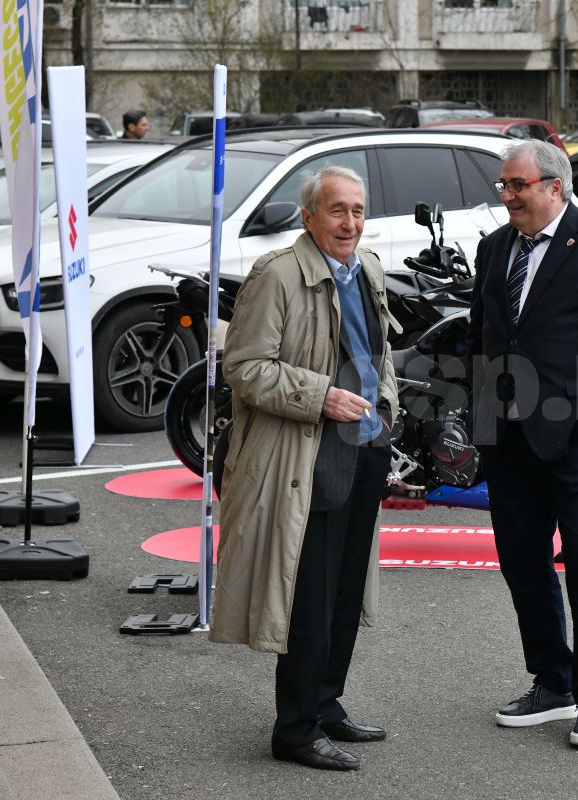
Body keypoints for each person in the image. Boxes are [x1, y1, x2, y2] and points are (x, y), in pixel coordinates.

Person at [208, 166, 400, 772]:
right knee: (309, 598)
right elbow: (243, 366)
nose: (350, 222)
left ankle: (326, 704)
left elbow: (380, 352)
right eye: (338, 210)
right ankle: (294, 729)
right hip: (306, 456)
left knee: (345, 591)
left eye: (358, 211)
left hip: (364, 448)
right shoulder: (277, 274)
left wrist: (385, 409)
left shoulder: (366, 265)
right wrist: (319, 395)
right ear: (309, 215)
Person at [466, 140, 578, 749]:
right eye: (504, 186)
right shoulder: (494, 250)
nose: (507, 196)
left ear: (554, 186)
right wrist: (481, 415)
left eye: (517, 185)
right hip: (509, 437)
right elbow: (483, 337)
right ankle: (553, 682)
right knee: (524, 565)